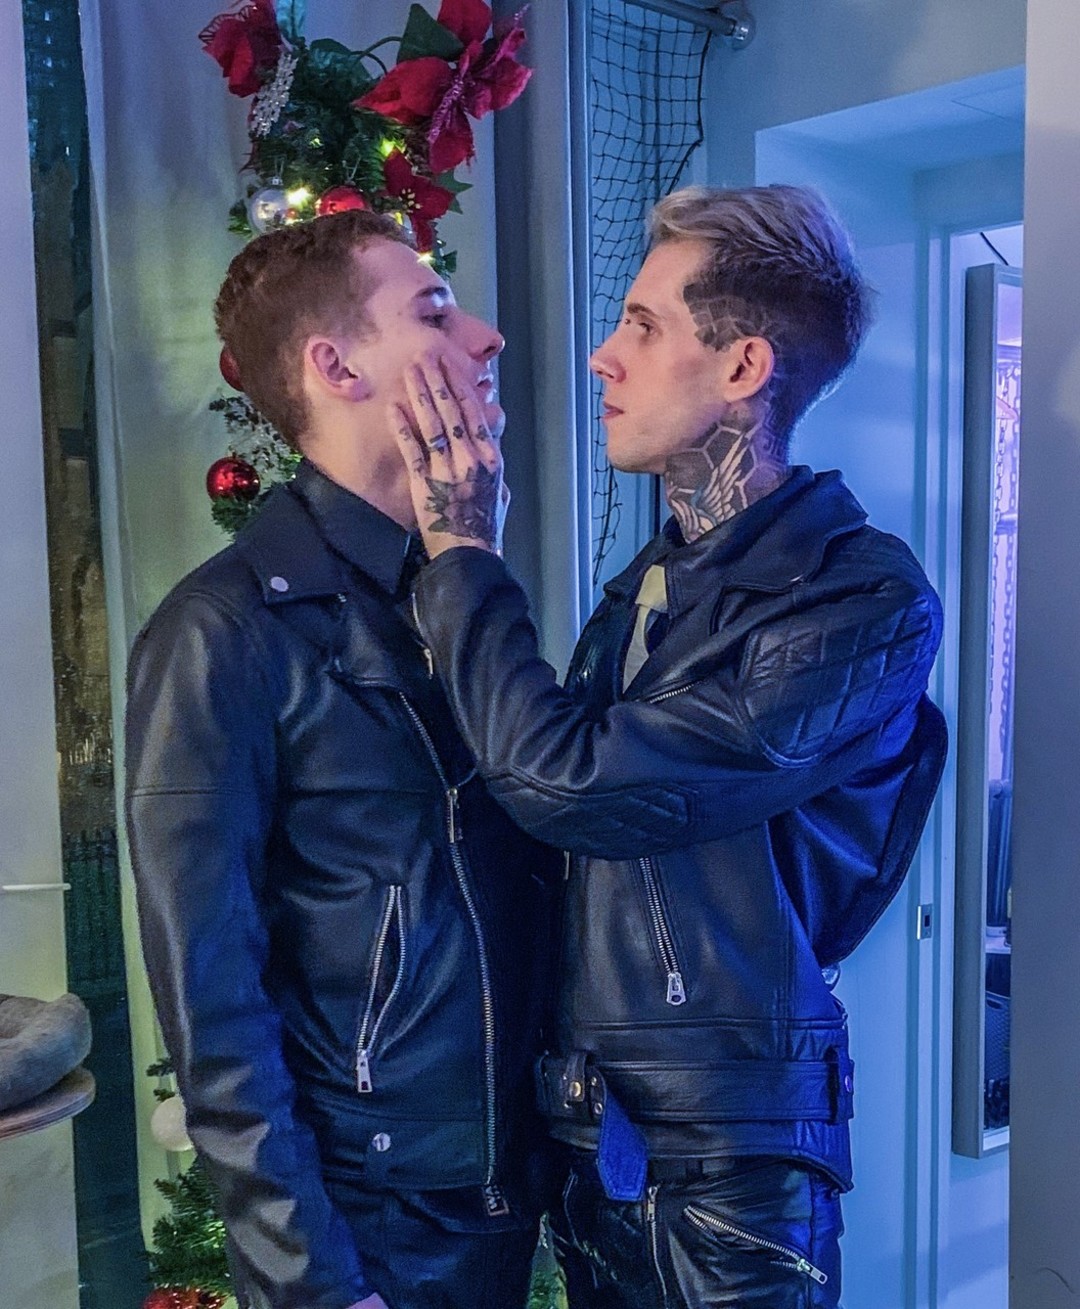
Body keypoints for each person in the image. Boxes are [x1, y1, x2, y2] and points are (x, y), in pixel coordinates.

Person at [392, 184, 947, 1308]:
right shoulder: (649, 587)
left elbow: (570, 785)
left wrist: (464, 553)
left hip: (728, 1175)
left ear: (744, 367)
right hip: (593, 1135)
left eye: (642, 326)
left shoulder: (862, 600)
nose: (604, 357)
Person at [124, 209, 559, 1309]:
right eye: (434, 311)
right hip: (367, 1230)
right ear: (335, 366)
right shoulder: (220, 631)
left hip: (507, 1196)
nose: (487, 337)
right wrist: (312, 1280)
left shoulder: (454, 590)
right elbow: (213, 1006)